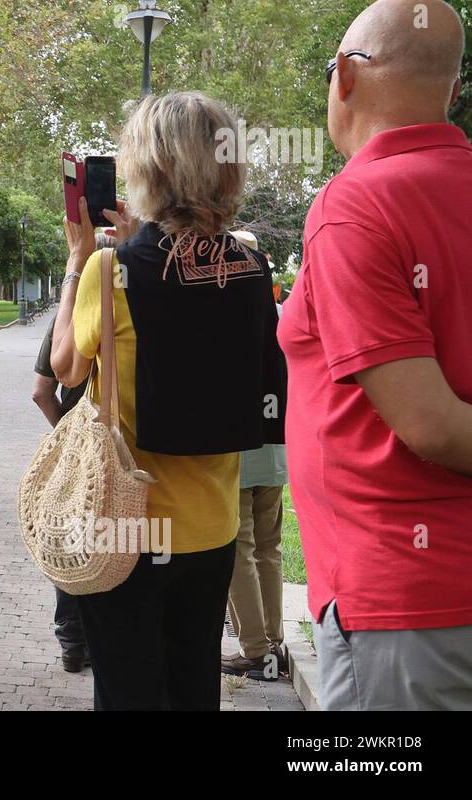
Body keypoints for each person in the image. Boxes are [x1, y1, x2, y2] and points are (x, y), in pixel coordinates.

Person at [50, 92, 285, 711]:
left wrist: (78, 261)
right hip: (212, 528)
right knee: (192, 687)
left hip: (129, 525)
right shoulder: (253, 268)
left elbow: (64, 366)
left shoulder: (113, 270)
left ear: (149, 171)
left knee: (128, 692)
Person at [278, 0, 472, 710]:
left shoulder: (354, 204)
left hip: (404, 607)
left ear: (347, 78)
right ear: (451, 91)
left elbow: (431, 427)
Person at [32, 230, 113, 674]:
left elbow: (41, 391)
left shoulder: (67, 316)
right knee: (115, 544)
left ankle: (72, 643)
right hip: (124, 449)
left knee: (71, 541)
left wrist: (66, 435)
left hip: (79, 452)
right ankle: (108, 644)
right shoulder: (129, 303)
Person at [220, 229, 289, 682]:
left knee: (239, 548)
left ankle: (256, 648)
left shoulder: (227, 317)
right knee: (270, 547)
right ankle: (273, 643)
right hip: (279, 443)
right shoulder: (280, 313)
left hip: (240, 447)